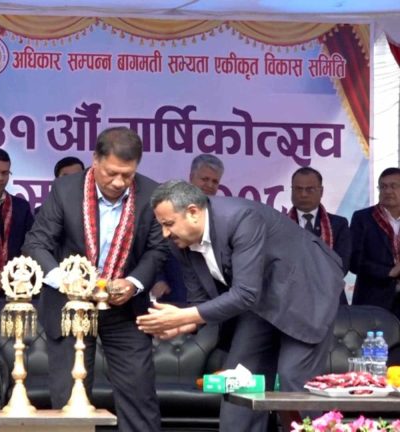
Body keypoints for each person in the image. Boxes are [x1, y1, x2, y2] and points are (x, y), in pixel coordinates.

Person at [137, 180, 344, 432]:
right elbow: (200, 302)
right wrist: (184, 325)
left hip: (305, 289)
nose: (165, 233)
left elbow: (245, 293)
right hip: (259, 300)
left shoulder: (240, 218)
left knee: (293, 379)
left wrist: (183, 316)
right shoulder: (180, 242)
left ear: (193, 212)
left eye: (168, 224)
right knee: (240, 378)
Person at [23, 127, 169, 432]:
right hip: (71, 306)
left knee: (139, 396)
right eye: (111, 173)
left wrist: (134, 283)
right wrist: (65, 281)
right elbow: (36, 243)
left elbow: (158, 250)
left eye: (127, 175)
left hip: (124, 308)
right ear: (95, 160)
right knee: (69, 400)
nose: (118, 182)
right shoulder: (65, 190)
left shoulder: (152, 194)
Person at [152, 154, 225, 302]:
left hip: (212, 298)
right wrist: (158, 279)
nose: (210, 185)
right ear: (191, 177)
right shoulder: (169, 207)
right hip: (176, 292)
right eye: (205, 179)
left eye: (215, 181)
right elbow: (154, 247)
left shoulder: (221, 214)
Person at [0, 148, 34, 296]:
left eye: (5, 173)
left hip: (15, 286)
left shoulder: (21, 207)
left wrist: (11, 274)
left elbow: (30, 246)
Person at [350, 167, 400, 319]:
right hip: (373, 301)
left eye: (394, 186)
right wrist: (389, 272)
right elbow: (354, 261)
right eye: (383, 186)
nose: (388, 191)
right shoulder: (363, 218)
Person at [289, 167, 351, 276]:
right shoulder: (279, 223)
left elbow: (342, 266)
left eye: (310, 189)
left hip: (328, 285)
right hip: (289, 286)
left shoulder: (338, 224)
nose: (303, 194)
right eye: (298, 189)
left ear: (321, 192)